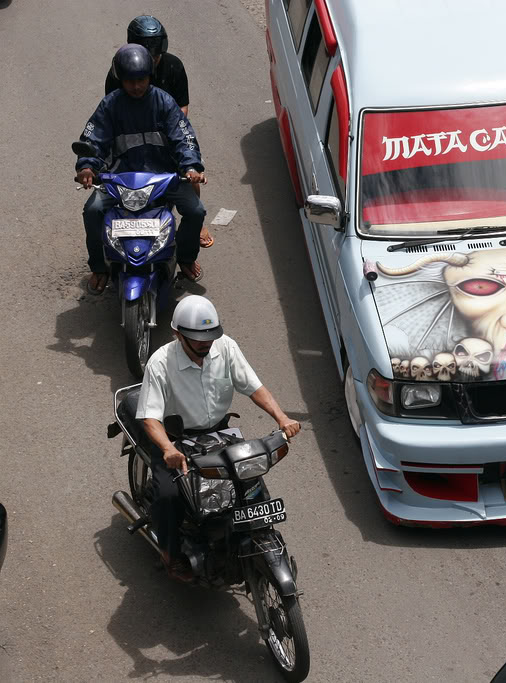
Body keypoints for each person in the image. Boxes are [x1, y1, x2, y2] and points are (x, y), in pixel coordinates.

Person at [136, 295, 302, 580]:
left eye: (209, 336)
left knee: (250, 486)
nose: (206, 343)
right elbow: (150, 417)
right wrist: (166, 449)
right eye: (198, 338)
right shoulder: (160, 363)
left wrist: (281, 417)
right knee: (168, 496)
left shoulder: (226, 348)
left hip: (221, 435)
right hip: (176, 441)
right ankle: (169, 554)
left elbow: (254, 387)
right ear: (178, 334)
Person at [76, 44, 207, 294]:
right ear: (120, 80)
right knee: (92, 210)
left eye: (141, 79)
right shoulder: (110, 105)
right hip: (119, 180)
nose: (136, 86)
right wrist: (87, 167)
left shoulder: (164, 102)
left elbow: (184, 137)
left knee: (195, 210)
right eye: (130, 81)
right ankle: (99, 267)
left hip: (162, 179)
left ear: (150, 76)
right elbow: (92, 141)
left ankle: (186, 257)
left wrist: (190, 166)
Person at [103, 15, 214, 249]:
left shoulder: (173, 67)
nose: (137, 85)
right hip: (131, 138)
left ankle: (194, 227)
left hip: (168, 135)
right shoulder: (117, 74)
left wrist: (172, 133)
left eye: (155, 55)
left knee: (191, 180)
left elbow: (183, 106)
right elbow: (110, 117)